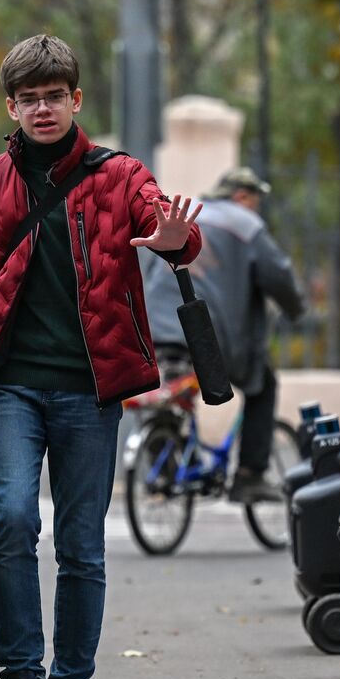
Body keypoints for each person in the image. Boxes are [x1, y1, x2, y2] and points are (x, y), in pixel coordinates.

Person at [0, 34, 202, 679]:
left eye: (53, 96)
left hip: (91, 389)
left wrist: (175, 238)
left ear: (75, 100)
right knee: (8, 520)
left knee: (81, 543)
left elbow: (169, 228)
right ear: (12, 105)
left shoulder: (120, 175)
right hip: (10, 386)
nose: (41, 108)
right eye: (28, 98)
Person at [140, 166, 306, 503]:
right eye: (255, 201)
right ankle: (250, 475)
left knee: (166, 393)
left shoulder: (184, 213)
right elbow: (279, 276)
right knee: (264, 385)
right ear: (242, 196)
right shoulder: (245, 224)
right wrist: (297, 310)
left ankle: (168, 467)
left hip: (157, 327)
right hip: (208, 336)